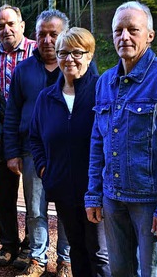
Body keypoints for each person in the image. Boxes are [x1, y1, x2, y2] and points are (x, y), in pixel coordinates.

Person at [85, 1, 157, 276]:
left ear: (150, 35)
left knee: (153, 273)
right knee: (120, 271)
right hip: (113, 199)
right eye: (118, 30)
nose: (124, 37)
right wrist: (94, 194)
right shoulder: (105, 82)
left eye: (133, 30)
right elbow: (98, 143)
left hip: (151, 203)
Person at [29, 27, 110, 277]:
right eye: (63, 53)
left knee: (99, 252)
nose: (69, 59)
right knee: (76, 248)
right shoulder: (47, 97)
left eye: (77, 52)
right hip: (63, 187)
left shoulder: (102, 91)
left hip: (96, 188)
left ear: (89, 55)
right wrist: (46, 170)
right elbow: (35, 139)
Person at [4, 9, 74, 276]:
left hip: (67, 153)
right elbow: (12, 113)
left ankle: (65, 259)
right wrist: (12, 152)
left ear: (64, 35)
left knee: (67, 207)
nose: (47, 40)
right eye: (42, 34)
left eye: (53, 34)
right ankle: (38, 258)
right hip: (32, 151)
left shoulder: (77, 67)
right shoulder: (22, 70)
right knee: (35, 209)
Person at [0, 4, 37, 267]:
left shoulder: (37, 50)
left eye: (11, 24)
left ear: (22, 25)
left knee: (33, 193)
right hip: (2, 135)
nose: (6, 29)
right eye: (1, 26)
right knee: (4, 192)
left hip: (32, 133)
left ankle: (31, 245)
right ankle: (8, 244)